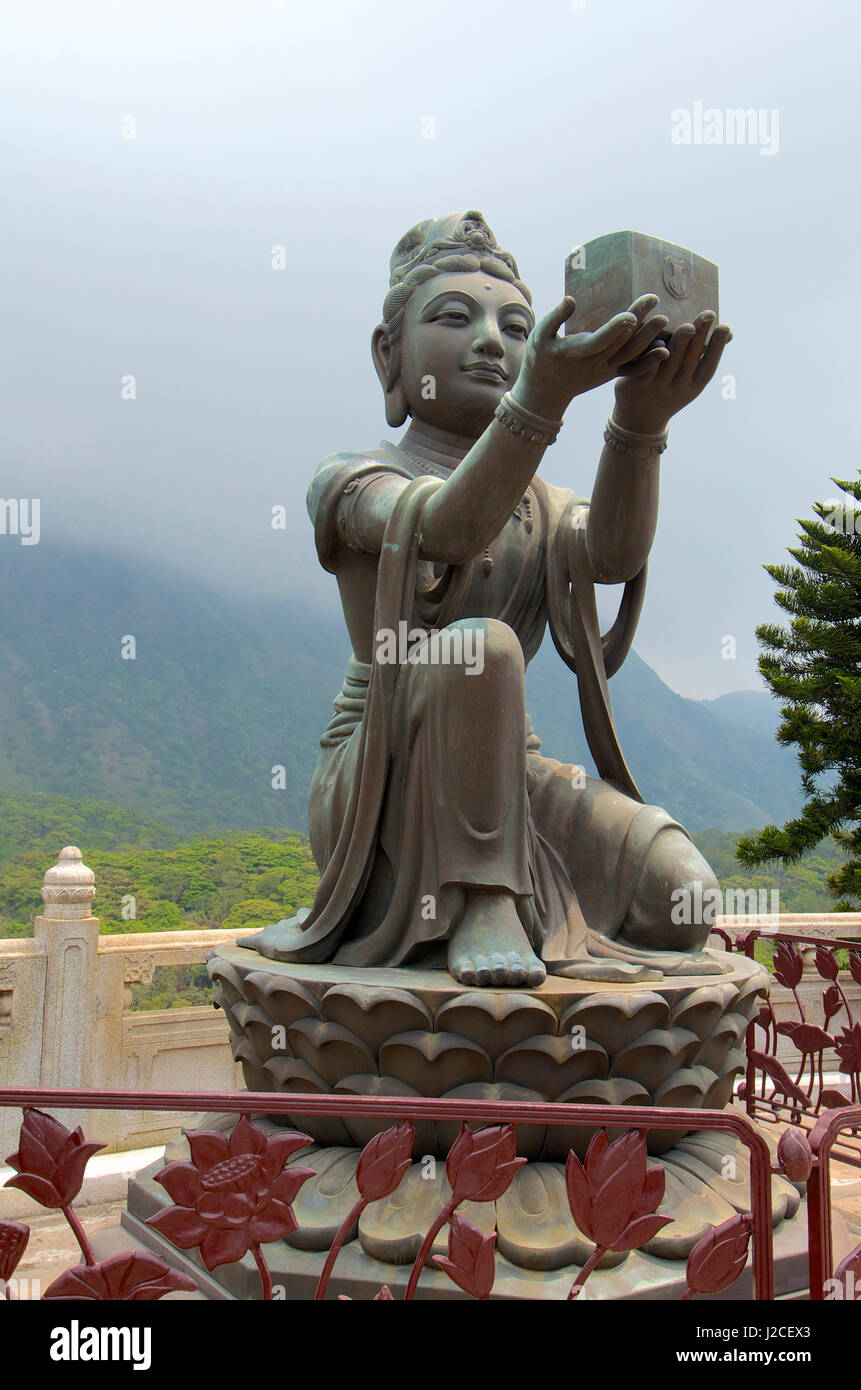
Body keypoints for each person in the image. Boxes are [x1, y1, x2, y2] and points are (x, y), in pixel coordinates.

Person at [244, 211, 734, 987]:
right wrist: (539, 401)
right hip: (381, 773)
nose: (490, 341)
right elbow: (442, 531)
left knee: (684, 896)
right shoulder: (354, 480)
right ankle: (480, 899)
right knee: (480, 646)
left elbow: (609, 555)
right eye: (452, 317)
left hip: (515, 774)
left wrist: (637, 424)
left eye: (514, 325)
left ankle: (519, 899)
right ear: (389, 356)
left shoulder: (543, 501)